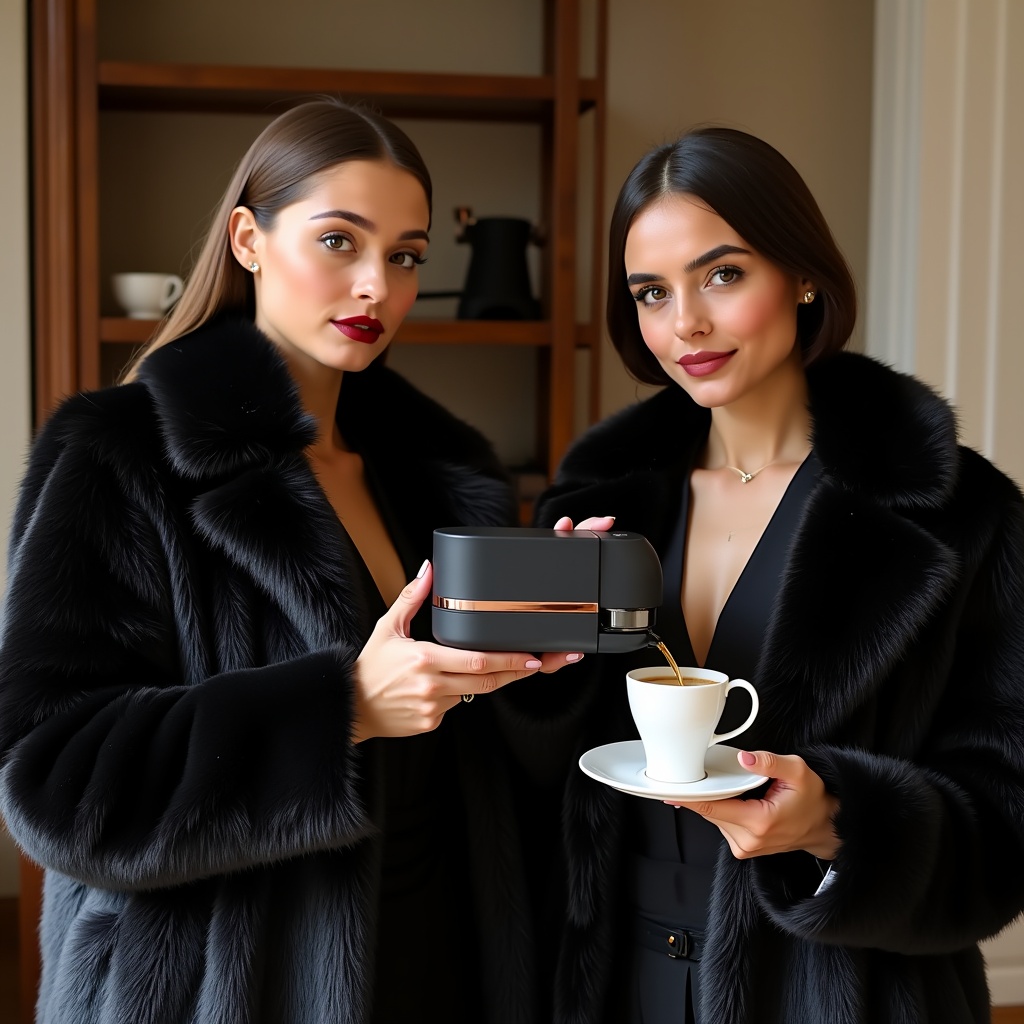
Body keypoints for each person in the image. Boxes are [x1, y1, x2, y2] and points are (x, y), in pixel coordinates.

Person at [0, 97, 574, 1023]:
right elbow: (53, 776)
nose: (377, 289)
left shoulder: (437, 474)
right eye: (340, 241)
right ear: (248, 238)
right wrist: (339, 710)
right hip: (222, 984)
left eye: (406, 256)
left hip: (440, 953)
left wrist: (543, 629)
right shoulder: (120, 453)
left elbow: (477, 745)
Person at [524, 127, 1024, 1023]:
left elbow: (1010, 820)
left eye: (722, 274)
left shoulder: (958, 516)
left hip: (842, 991)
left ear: (801, 275)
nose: (686, 324)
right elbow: (530, 781)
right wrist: (533, 660)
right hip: (617, 982)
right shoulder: (596, 509)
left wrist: (840, 821)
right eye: (651, 292)